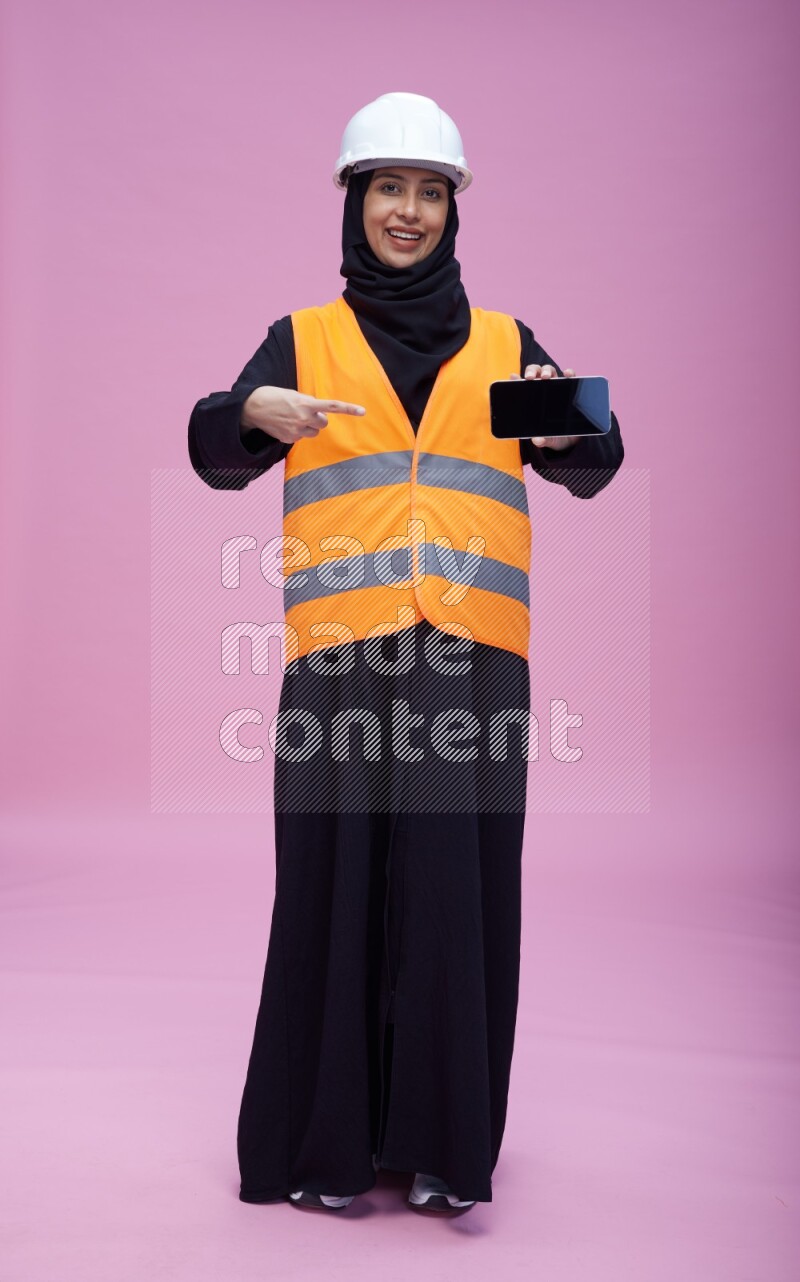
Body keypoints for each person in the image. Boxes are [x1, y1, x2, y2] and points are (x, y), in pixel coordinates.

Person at [188, 91, 625, 1217]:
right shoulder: (303, 338)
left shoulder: (501, 344)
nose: (407, 211)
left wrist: (582, 426)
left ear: (451, 212)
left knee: (454, 894)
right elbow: (210, 445)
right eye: (387, 187)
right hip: (339, 657)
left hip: (473, 662)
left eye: (429, 193)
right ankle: (320, 1149)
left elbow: (592, 453)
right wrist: (250, 412)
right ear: (353, 199)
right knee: (328, 890)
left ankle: (442, 1149)